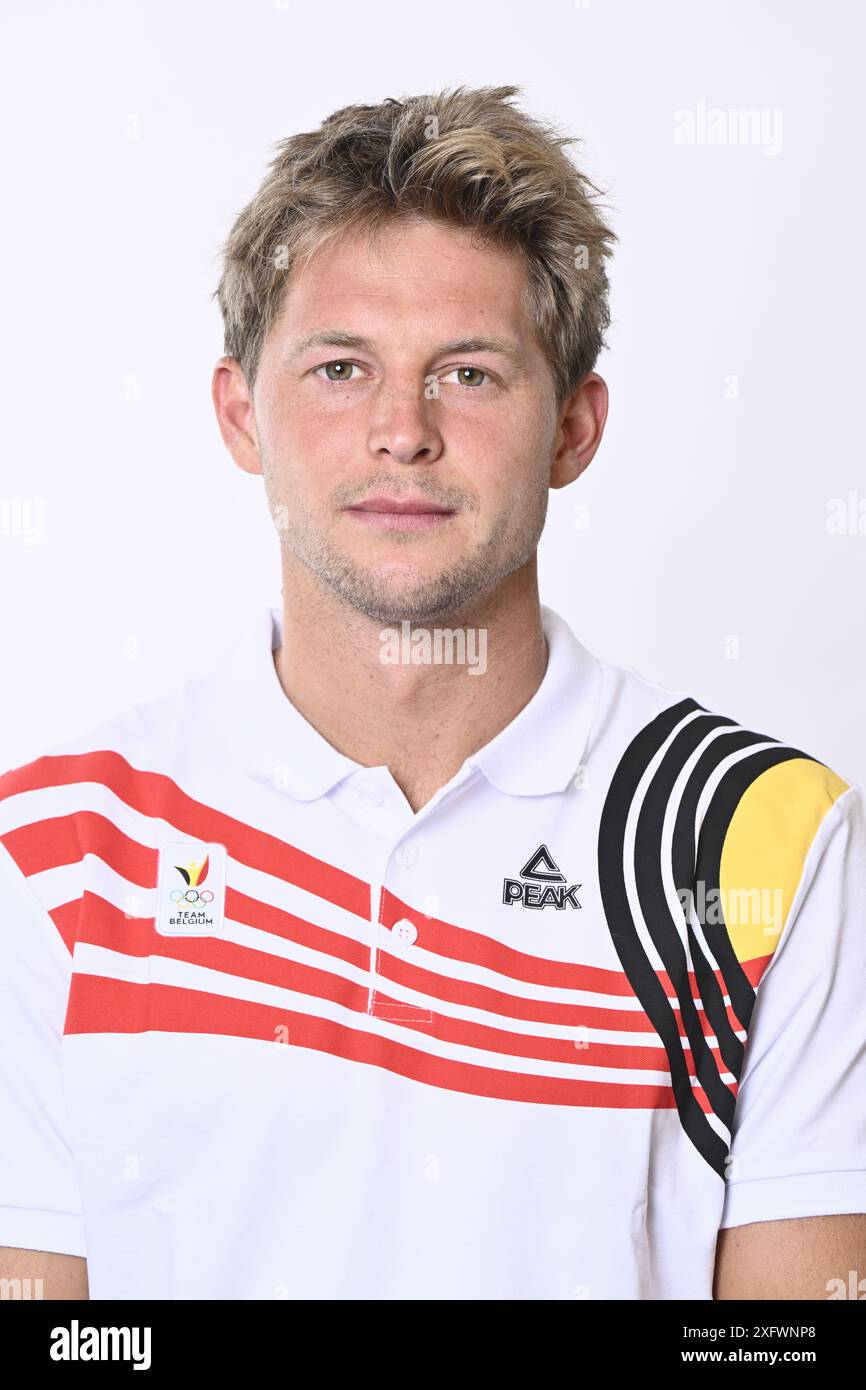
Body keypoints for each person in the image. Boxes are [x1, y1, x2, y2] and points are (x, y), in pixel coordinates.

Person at [1, 84, 864, 1302]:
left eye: (467, 373)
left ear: (573, 427)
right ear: (241, 414)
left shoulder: (761, 832)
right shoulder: (51, 855)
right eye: (340, 367)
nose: (401, 432)